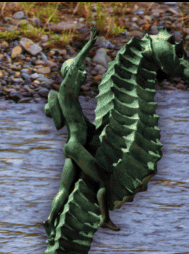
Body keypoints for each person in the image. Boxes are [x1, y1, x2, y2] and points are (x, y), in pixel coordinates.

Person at [43, 27, 120, 237]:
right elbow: (75, 63)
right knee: (104, 180)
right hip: (75, 147)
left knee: (64, 190)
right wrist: (90, 44)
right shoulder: (66, 94)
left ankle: (50, 221)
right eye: (80, 70)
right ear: (70, 74)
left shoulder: (71, 102)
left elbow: (85, 127)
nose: (85, 72)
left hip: (72, 147)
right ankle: (104, 219)